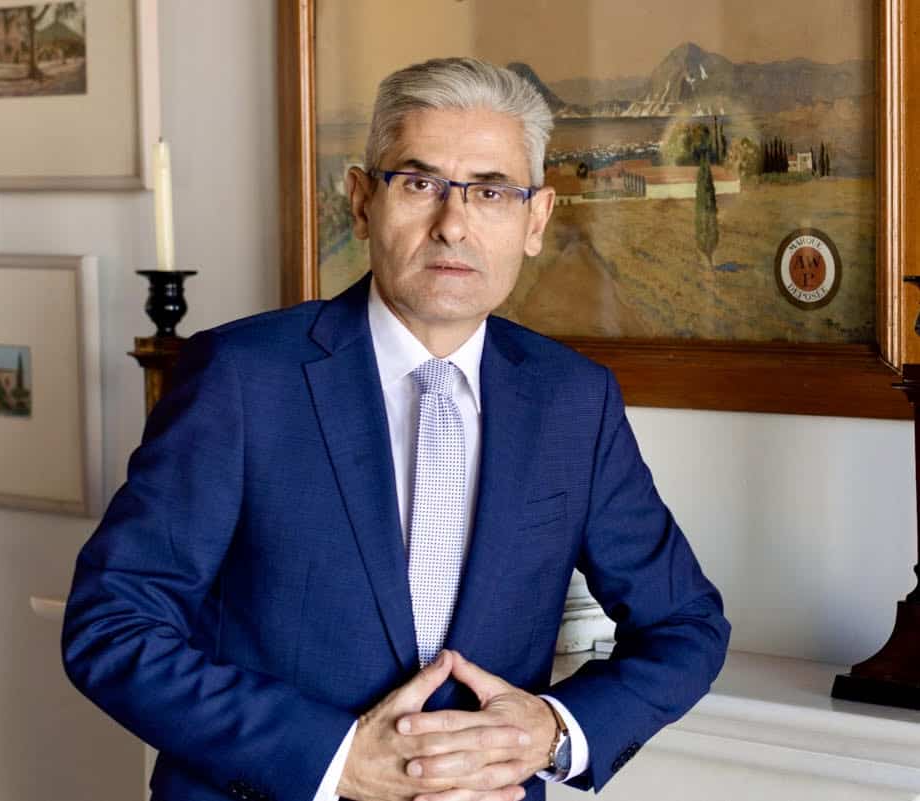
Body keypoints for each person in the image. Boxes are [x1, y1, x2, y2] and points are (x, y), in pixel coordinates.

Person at [62, 57, 730, 801]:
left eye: (491, 192)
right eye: (419, 184)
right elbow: (112, 625)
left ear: (536, 220)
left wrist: (548, 730)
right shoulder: (242, 377)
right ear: (361, 202)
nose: (453, 225)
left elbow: (687, 625)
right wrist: (335, 757)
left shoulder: (573, 400)